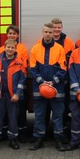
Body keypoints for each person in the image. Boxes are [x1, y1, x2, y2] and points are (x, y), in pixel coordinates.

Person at [29, 23, 67, 151]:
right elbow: (32, 69)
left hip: (56, 88)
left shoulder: (60, 49)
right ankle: (38, 139)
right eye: (46, 32)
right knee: (39, 115)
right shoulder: (35, 48)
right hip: (40, 87)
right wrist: (42, 82)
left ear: (53, 33)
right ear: (42, 32)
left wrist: (53, 82)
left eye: (50, 32)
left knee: (58, 115)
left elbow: (63, 68)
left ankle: (58, 139)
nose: (48, 34)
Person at [0, 39, 26, 150]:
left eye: (12, 48)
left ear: (15, 49)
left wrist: (17, 94)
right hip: (0, 95)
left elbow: (22, 81)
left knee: (13, 119)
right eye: (8, 47)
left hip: (12, 96)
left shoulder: (19, 62)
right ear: (4, 47)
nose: (10, 49)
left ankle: (13, 140)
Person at [0, 25, 30, 142]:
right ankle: (5, 134)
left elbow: (23, 66)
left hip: (18, 86)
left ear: (17, 35)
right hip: (5, 87)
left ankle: (21, 134)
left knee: (19, 111)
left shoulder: (22, 49)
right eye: (10, 33)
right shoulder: (1, 50)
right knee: (5, 113)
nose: (12, 35)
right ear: (7, 35)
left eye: (14, 33)